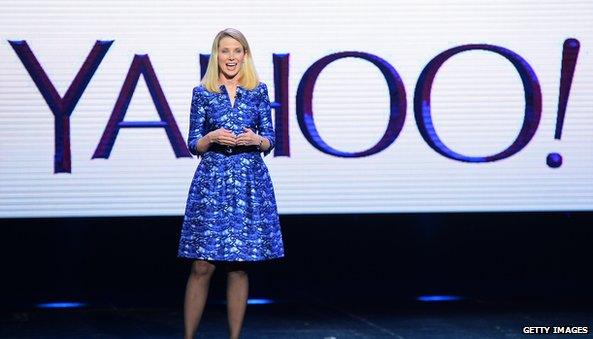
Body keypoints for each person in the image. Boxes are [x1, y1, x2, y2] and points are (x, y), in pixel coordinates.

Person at [177, 28, 285, 339]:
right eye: (225, 51)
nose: (231, 57)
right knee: (202, 265)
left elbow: (271, 139)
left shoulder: (258, 91)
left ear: (245, 55)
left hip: (249, 180)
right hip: (212, 182)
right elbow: (191, 142)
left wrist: (257, 139)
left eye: (237, 51)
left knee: (239, 266)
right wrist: (210, 137)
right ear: (217, 56)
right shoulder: (203, 92)